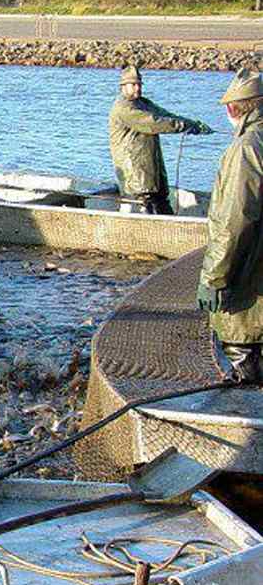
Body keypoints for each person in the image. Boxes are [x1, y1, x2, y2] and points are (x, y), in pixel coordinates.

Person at [198, 68, 263, 383]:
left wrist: (213, 277)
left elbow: (234, 221)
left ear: (233, 109)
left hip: (249, 290)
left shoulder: (245, 148)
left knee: (244, 368)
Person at [109, 64, 214, 215]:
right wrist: (185, 126)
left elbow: (166, 115)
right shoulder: (124, 108)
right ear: (123, 86)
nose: (137, 88)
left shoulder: (144, 103)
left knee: (163, 205)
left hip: (151, 170)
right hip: (134, 174)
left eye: (139, 84)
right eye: (133, 85)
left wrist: (193, 124)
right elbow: (155, 122)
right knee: (145, 208)